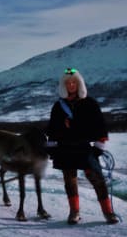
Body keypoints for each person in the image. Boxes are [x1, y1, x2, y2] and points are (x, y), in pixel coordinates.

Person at [46, 67, 118, 225]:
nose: (71, 85)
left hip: (84, 148)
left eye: (74, 82)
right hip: (65, 148)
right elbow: (52, 128)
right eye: (68, 83)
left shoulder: (90, 103)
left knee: (97, 179)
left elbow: (100, 125)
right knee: (70, 181)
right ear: (63, 86)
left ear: (79, 84)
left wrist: (99, 146)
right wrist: (51, 147)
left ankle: (108, 212)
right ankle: (74, 212)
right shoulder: (58, 106)